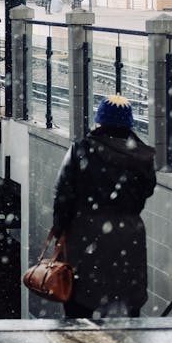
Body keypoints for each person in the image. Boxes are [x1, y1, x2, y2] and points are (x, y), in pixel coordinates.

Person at [50, 94, 156, 318]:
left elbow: (63, 196)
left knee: (80, 303)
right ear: (129, 124)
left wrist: (59, 229)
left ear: (100, 120)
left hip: (85, 234)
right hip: (129, 234)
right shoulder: (143, 157)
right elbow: (146, 192)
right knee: (125, 299)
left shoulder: (81, 150)